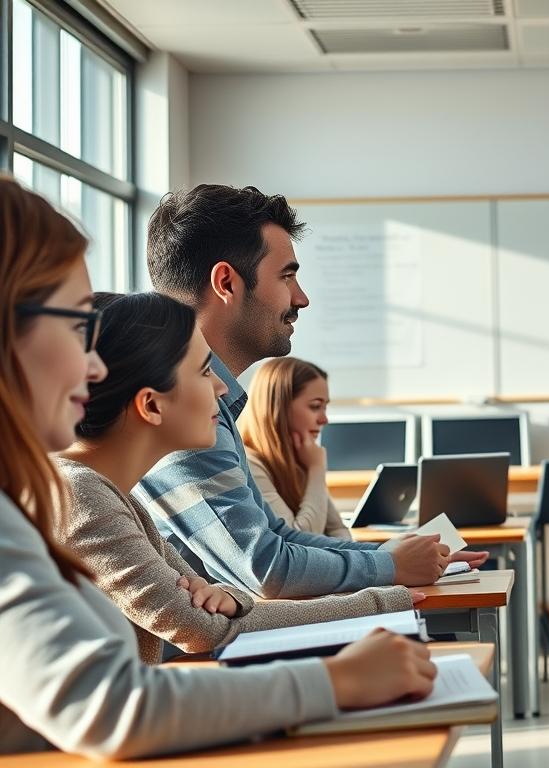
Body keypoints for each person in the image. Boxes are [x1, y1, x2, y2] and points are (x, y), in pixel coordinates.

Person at [0, 176, 435, 758]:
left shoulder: (59, 495)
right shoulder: (72, 496)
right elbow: (117, 701)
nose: (94, 366)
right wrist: (344, 673)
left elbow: (222, 601)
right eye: (78, 326)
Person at [133, 184, 484, 598]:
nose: (302, 298)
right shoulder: (177, 410)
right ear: (226, 282)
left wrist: (390, 555)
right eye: (287, 276)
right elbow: (264, 569)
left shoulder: (209, 404)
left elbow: (277, 536)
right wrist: (388, 565)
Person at [54, 293, 414, 664]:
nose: (222, 388)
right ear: (152, 405)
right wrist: (381, 602)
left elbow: (214, 605)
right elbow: (202, 628)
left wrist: (230, 598)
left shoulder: (114, 495)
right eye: (204, 371)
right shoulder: (80, 495)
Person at [239, 357, 351, 539]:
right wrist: (316, 469)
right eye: (315, 406)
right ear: (279, 407)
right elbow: (301, 541)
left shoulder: (300, 458)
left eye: (325, 407)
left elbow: (338, 529)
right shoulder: (249, 465)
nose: (324, 419)